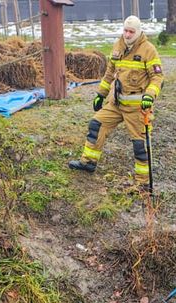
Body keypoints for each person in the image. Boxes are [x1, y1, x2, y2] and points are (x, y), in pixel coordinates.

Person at [67, 15, 163, 188]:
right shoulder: (118, 45)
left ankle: (142, 184)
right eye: (125, 30)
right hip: (116, 103)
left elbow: (157, 77)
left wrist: (150, 95)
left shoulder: (148, 50)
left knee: (140, 145)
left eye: (131, 31)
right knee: (96, 124)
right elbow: (110, 72)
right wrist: (101, 94)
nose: (127, 35)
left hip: (137, 108)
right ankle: (88, 162)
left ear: (138, 32)